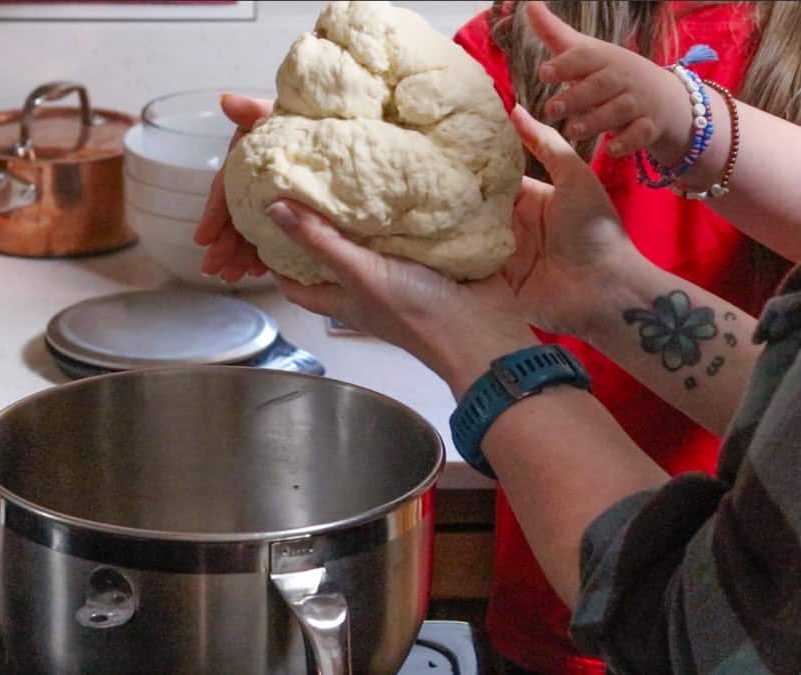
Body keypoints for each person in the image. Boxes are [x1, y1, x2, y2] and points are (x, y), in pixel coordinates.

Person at [193, 2, 801, 671]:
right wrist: (606, 287)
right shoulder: (526, 34)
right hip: (552, 602)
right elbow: (788, 403)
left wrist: (473, 342)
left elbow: (691, 633)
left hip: (636, 599)